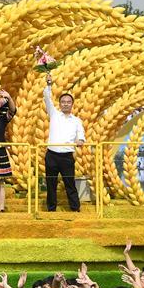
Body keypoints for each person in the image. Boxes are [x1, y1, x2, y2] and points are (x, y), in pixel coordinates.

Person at [43, 73, 85, 212]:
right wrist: (49, 84)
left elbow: (81, 135)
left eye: (68, 102)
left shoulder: (77, 120)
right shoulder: (54, 114)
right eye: (63, 102)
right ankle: (51, 209)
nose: (66, 104)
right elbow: (47, 98)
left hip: (67, 156)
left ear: (72, 104)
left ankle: (75, 209)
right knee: (51, 183)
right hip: (52, 155)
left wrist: (81, 140)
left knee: (70, 184)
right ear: (60, 104)